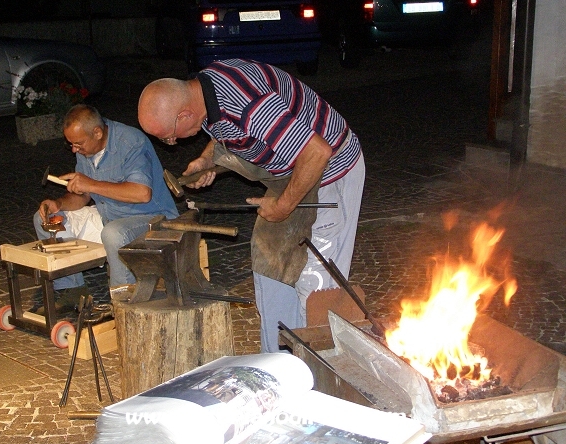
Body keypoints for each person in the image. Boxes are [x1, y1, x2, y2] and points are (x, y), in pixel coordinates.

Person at [137, 59, 365, 352]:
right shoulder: (204, 90)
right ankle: (279, 361)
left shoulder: (248, 106)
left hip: (330, 171)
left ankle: (318, 367)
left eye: (167, 135)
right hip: (291, 172)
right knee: (271, 268)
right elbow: (224, 129)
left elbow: (316, 152)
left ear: (184, 114)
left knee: (315, 280)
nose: (169, 143)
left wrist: (283, 207)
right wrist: (209, 159)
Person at [33, 104, 178, 308]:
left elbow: (142, 193)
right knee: (44, 219)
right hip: (107, 214)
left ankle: (123, 303)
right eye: (71, 145)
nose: (74, 149)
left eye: (79, 144)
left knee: (113, 232)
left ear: (97, 132)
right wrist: (58, 204)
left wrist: (90, 184)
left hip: (152, 217)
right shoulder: (85, 146)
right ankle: (73, 289)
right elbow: (83, 196)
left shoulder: (130, 142)